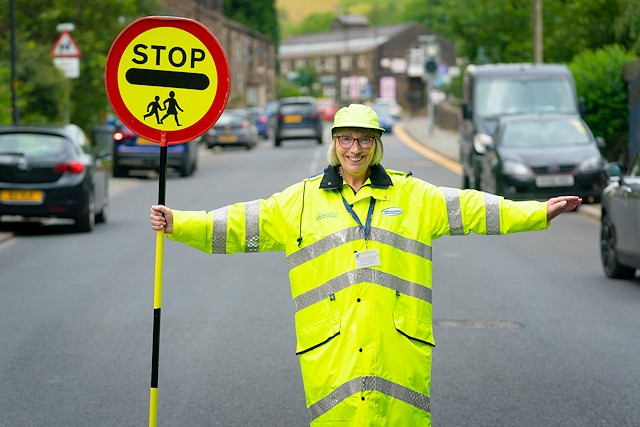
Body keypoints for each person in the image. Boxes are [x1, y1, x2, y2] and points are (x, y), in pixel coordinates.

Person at [150, 104, 581, 426]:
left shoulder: (415, 197)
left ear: (376, 145)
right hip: (331, 352)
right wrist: (180, 223)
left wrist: (536, 213)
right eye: (346, 139)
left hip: (398, 348)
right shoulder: (299, 202)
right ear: (334, 144)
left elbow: (473, 209)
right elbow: (241, 224)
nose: (354, 149)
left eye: (364, 140)